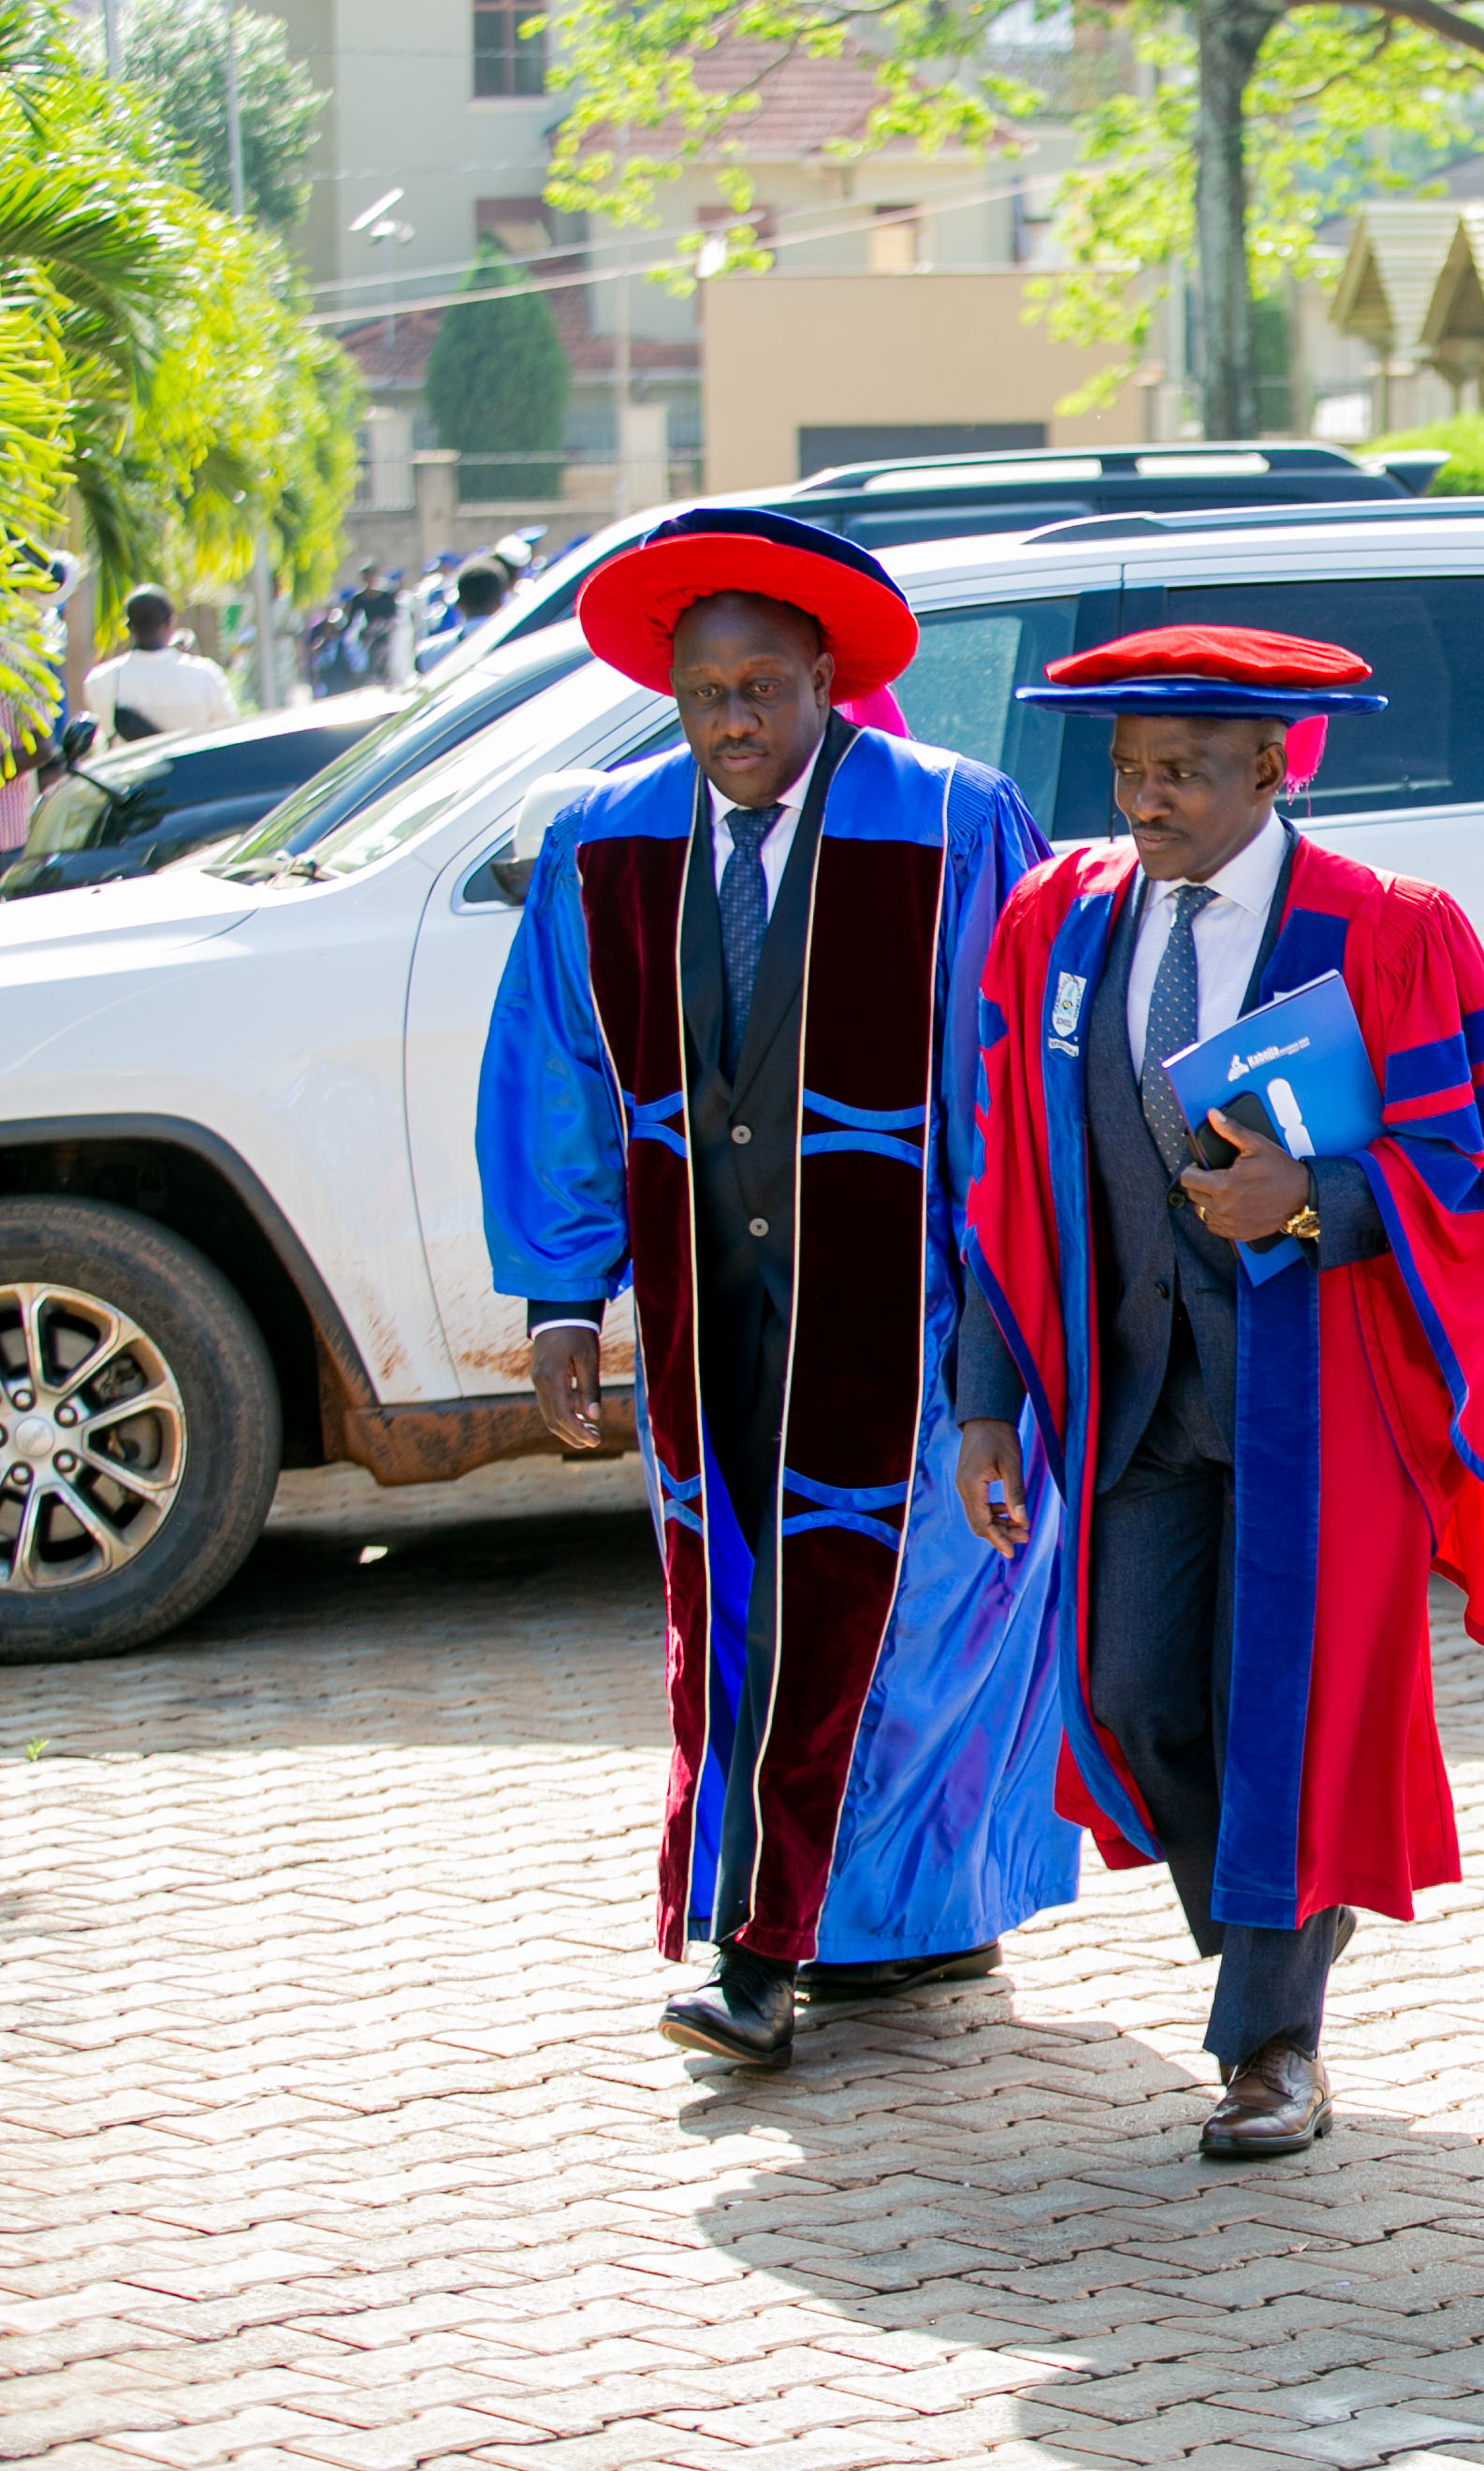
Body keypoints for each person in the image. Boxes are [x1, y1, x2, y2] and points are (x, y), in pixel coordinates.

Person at [953, 624, 1484, 2160]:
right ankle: (1270, 1930)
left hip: (1322, 1397)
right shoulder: (1056, 923)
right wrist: (984, 1403)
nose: (1144, 802)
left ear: (1273, 768)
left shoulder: (1386, 928)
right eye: (1128, 770)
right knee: (1136, 1700)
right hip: (1130, 1393)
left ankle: (1273, 2044)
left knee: (1288, 1714)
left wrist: (1315, 1199)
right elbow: (1002, 1178)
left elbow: (1475, 1157)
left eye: (1182, 772)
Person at [477, 505, 1078, 2070]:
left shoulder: (948, 820)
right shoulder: (608, 840)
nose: (732, 719)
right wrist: (561, 1296)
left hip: (911, 1317)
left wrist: (1000, 1335)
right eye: (704, 692)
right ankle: (776, 1932)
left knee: (914, 1622)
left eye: (761, 687)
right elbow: (557, 1070)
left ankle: (859, 1928)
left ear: (826, 678)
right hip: (709, 1317)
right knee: (736, 1616)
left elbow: (1004, 1086)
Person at [80, 588, 237, 743]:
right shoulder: (204, 674)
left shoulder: (101, 679)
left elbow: (106, 730)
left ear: (128, 626)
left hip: (135, 760)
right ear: (170, 621)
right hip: (194, 759)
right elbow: (228, 727)